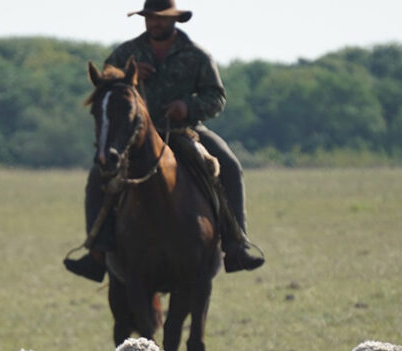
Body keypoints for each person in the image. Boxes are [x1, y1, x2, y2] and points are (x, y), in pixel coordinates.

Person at [64, 0, 264, 282]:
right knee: (98, 173)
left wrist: (187, 106)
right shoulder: (126, 53)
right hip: (134, 136)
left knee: (229, 165)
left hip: (184, 131)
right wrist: (128, 76)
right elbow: (105, 87)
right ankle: (96, 254)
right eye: (150, 17)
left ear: (174, 20)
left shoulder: (196, 55)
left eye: (160, 18)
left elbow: (216, 97)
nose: (154, 23)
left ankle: (236, 246)